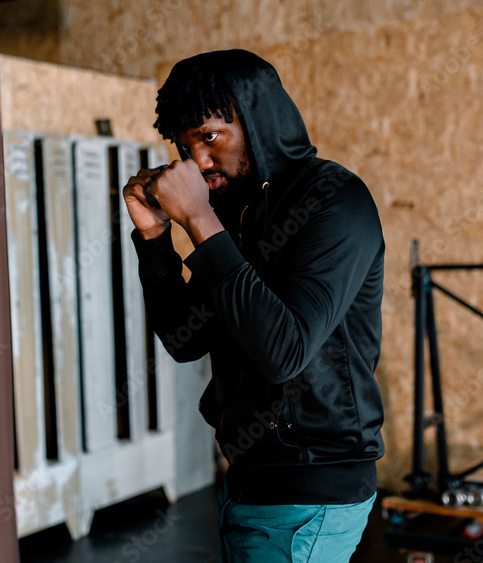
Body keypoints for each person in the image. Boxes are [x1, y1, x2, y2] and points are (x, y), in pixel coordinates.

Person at [122, 49, 385, 563]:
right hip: (246, 484)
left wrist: (198, 218)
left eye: (211, 136)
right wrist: (154, 239)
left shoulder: (336, 201)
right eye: (185, 142)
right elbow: (185, 338)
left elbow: (284, 351)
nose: (198, 160)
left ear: (255, 118)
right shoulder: (234, 213)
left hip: (312, 491)